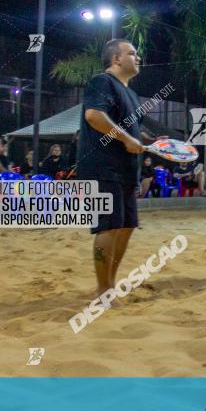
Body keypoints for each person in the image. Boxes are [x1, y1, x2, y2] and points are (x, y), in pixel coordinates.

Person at [77, 38, 161, 297]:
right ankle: (103, 289)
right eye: (132, 53)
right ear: (116, 59)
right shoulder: (102, 82)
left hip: (126, 169)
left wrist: (145, 139)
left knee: (126, 226)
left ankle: (110, 283)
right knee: (108, 227)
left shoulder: (132, 94)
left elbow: (129, 127)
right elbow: (94, 116)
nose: (138, 58)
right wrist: (126, 138)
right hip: (102, 166)